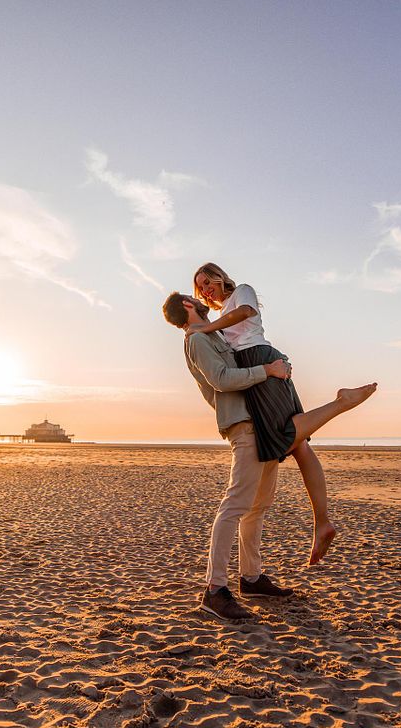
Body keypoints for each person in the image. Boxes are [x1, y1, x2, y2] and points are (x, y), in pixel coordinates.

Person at [162, 292, 377, 621]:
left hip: (257, 421)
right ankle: (214, 590)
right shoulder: (197, 340)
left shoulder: (212, 334)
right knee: (234, 507)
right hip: (243, 426)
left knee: (257, 507)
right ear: (188, 307)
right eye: (194, 296)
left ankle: (251, 578)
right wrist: (268, 370)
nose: (200, 298)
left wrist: (274, 368)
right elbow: (220, 380)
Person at [189, 262, 338, 564]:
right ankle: (321, 523)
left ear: (219, 277)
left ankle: (322, 522)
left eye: (207, 281)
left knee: (298, 440)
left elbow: (246, 314)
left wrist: (205, 327)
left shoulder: (241, 292)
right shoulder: (217, 318)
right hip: (253, 369)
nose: (205, 289)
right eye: (199, 286)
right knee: (295, 443)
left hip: (259, 359)